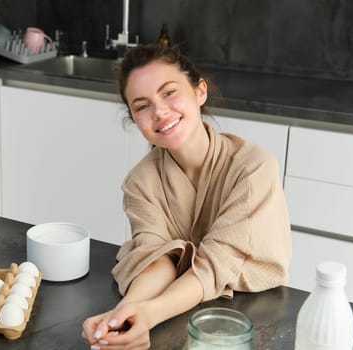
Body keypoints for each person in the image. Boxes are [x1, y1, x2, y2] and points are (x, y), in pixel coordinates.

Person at [81, 44, 292, 349]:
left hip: (245, 322)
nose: (160, 112)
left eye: (169, 92)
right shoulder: (141, 182)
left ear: (199, 91)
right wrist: (121, 317)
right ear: (134, 120)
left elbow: (215, 264)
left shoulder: (253, 168)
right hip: (175, 315)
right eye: (142, 106)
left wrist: (148, 315)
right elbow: (157, 257)